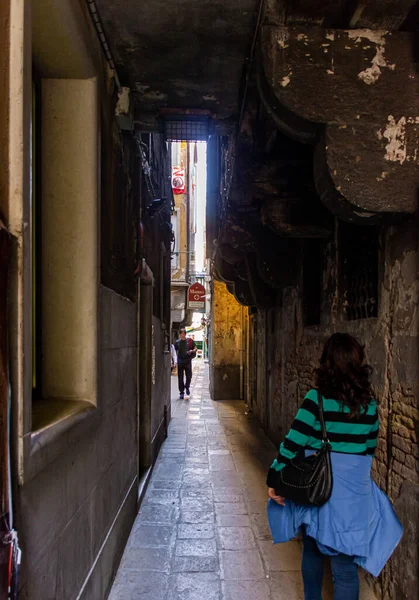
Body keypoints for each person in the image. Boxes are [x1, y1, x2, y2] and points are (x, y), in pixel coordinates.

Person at [266, 333, 402, 600]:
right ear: (357, 363)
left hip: (319, 490)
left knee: (313, 551)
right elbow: (369, 450)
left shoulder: (316, 400)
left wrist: (274, 475)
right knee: (345, 569)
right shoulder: (369, 405)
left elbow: (293, 442)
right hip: (354, 498)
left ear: (326, 363)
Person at [174, 328, 196, 400]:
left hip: (188, 360)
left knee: (189, 376)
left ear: (185, 334)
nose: (182, 335)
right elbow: (175, 352)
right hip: (180, 361)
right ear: (179, 334)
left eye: (183, 334)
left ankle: (187, 387)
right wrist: (175, 361)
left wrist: (192, 351)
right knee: (180, 377)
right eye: (181, 334)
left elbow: (196, 348)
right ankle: (181, 392)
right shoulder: (177, 342)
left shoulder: (190, 341)